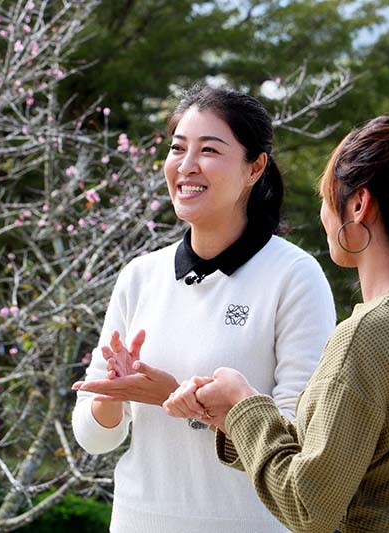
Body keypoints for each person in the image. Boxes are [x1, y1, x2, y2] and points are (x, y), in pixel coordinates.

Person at [164, 116, 389, 532]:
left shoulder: (367, 335)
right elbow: (340, 460)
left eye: (328, 198)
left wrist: (243, 404)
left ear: (358, 205)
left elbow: (308, 506)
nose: (325, 214)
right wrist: (234, 415)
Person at [71, 86, 336, 532]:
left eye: (209, 150)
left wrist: (178, 400)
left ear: (254, 168)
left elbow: (299, 440)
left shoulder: (294, 276)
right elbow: (94, 438)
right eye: (178, 149)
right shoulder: (140, 276)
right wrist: (110, 394)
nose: (186, 165)